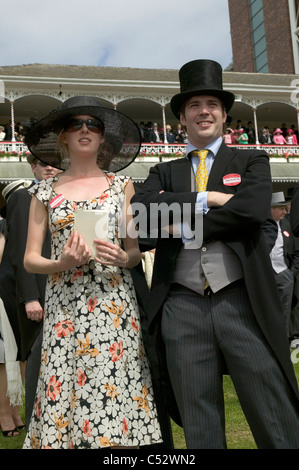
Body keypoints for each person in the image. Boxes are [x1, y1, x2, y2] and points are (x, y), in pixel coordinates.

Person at [132, 59, 299, 449]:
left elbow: (252, 212)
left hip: (242, 299)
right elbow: (142, 220)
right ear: (181, 118)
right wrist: (210, 198)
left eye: (211, 104)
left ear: (224, 116)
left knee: (272, 408)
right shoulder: (163, 171)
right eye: (194, 105)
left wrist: (176, 221)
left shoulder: (251, 160)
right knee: (198, 418)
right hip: (181, 304)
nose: (203, 111)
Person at [22, 96, 162, 449]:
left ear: (102, 139)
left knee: (113, 394)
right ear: (64, 137)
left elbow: (133, 252)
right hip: (64, 309)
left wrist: (121, 257)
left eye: (93, 125)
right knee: (66, 392)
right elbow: (29, 259)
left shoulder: (122, 186)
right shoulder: (43, 191)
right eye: (76, 125)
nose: (85, 130)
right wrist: (60, 264)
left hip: (113, 306)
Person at [0, 156, 60, 432]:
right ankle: (36, 426)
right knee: (32, 363)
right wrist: (30, 297)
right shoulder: (24, 196)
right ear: (32, 166)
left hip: (62, 291)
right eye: (43, 162)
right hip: (35, 295)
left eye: (56, 162)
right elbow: (20, 251)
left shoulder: (66, 195)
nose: (50, 167)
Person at [269, 192, 299, 339]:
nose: (285, 211)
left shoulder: (288, 226)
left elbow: (297, 252)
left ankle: (284, 343)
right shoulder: (259, 227)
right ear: (271, 209)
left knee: (285, 312)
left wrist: (290, 274)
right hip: (266, 277)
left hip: (284, 275)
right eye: (281, 208)